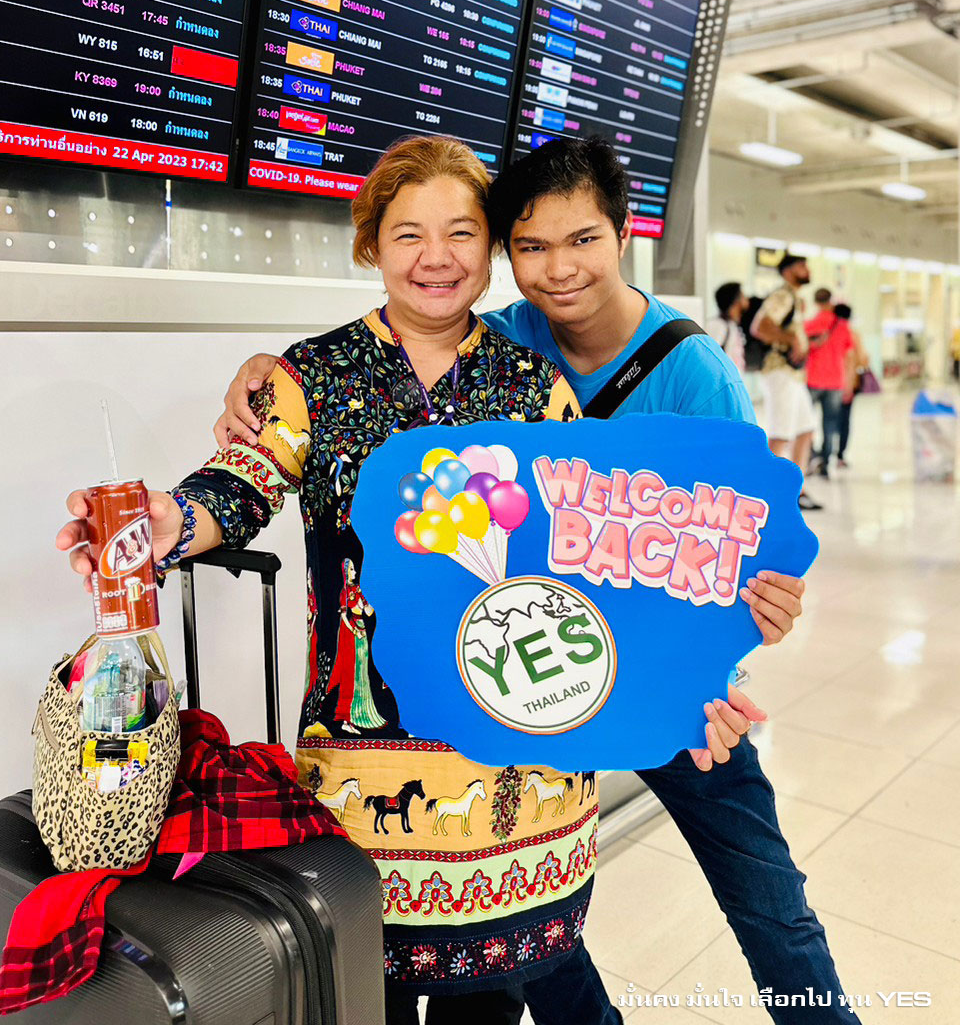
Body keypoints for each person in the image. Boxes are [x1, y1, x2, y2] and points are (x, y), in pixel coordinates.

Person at [56, 136, 758, 1025]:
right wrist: (170, 523)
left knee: (491, 1009)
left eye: (461, 233)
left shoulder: (536, 387)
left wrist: (691, 680)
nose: (437, 257)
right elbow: (241, 484)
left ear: (489, 248)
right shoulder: (311, 376)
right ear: (371, 245)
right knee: (367, 998)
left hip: (519, 780)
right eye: (408, 234)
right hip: (363, 770)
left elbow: (594, 572)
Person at [217, 135, 859, 1024]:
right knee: (528, 921)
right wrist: (264, 375)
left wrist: (753, 630)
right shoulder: (510, 340)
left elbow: (741, 563)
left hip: (666, 688)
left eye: (583, 239)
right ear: (505, 254)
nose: (559, 269)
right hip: (542, 680)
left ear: (623, 235)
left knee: (768, 903)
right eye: (532, 246)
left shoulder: (694, 376)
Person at [750, 255, 822, 510]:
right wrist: (791, 340)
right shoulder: (782, 295)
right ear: (788, 271)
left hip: (793, 374)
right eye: (802, 266)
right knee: (781, 433)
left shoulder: (793, 297)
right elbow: (760, 327)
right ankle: (769, 493)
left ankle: (795, 490)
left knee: (806, 429)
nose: (807, 270)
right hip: (779, 371)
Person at [805, 289, 853, 478]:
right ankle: (825, 463)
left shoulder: (810, 323)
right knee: (830, 424)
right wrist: (848, 382)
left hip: (812, 380)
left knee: (806, 423)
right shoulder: (842, 325)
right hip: (835, 382)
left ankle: (811, 458)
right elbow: (849, 356)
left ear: (815, 302)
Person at [835, 303, 868, 468]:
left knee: (827, 420)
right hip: (848, 383)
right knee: (844, 420)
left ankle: (822, 455)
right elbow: (863, 359)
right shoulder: (853, 334)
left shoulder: (827, 332)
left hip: (826, 383)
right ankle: (840, 455)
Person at [706, 281, 749, 371]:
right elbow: (708, 356)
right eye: (743, 296)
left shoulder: (731, 326)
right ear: (736, 301)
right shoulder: (718, 325)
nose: (747, 299)